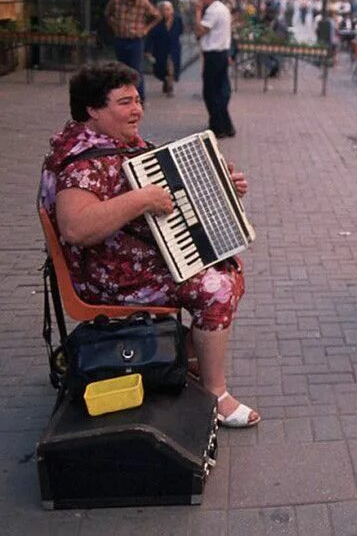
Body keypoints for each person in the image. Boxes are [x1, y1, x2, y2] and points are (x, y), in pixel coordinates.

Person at [39, 62, 259, 427]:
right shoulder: (81, 165)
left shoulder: (112, 145)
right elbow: (76, 229)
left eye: (138, 100)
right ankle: (215, 394)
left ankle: (182, 357)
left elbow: (173, 193)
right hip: (108, 277)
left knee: (226, 264)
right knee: (215, 289)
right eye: (124, 102)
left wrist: (224, 187)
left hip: (127, 259)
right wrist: (141, 200)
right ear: (93, 110)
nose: (137, 109)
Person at [104, 0, 161, 102]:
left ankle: (140, 98)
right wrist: (114, 26)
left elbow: (157, 16)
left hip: (136, 40)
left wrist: (146, 29)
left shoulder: (143, 2)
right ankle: (123, 96)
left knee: (136, 69)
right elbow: (107, 14)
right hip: (121, 38)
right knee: (122, 68)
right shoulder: (116, 0)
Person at [194, 0, 236, 139]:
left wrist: (197, 12)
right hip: (221, 53)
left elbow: (200, 30)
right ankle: (226, 125)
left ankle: (218, 126)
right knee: (220, 90)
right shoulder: (222, 8)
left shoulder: (212, 10)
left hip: (214, 54)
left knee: (211, 92)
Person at [145, 1, 183, 97]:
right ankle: (165, 80)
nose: (167, 12)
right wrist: (147, 51)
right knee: (159, 70)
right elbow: (150, 37)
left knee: (171, 66)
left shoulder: (177, 19)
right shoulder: (156, 22)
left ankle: (170, 88)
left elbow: (181, 31)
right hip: (159, 49)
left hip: (173, 48)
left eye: (169, 9)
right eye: (164, 10)